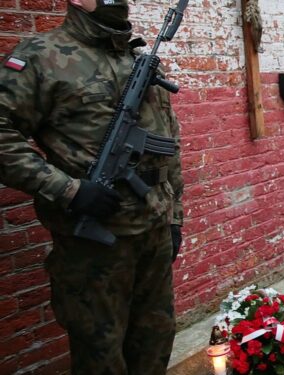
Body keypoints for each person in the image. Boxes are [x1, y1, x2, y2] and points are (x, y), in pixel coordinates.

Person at [0, 0, 184, 373]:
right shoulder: (41, 56)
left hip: (153, 231)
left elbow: (169, 144)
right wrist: (69, 190)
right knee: (101, 356)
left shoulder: (139, 60)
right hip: (93, 245)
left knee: (157, 340)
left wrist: (175, 216)